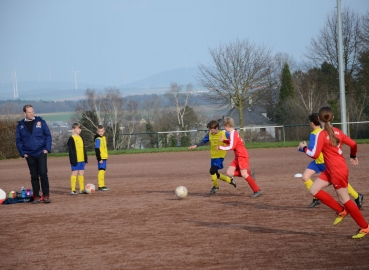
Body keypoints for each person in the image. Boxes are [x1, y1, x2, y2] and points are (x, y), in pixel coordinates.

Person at [299, 106, 369, 239]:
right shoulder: (337, 132)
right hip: (331, 169)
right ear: (333, 118)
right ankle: (341, 211)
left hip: (337, 171)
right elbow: (353, 144)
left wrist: (304, 148)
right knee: (314, 190)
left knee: (345, 199)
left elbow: (314, 154)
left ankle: (365, 227)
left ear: (319, 119)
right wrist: (353, 156)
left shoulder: (321, 134)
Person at [300, 113, 364, 209]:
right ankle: (316, 197)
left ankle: (356, 196)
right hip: (317, 162)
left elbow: (313, 149)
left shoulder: (316, 134)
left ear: (312, 123)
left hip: (325, 162)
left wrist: (303, 148)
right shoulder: (323, 132)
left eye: (310, 122)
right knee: (305, 177)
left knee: (340, 182)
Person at [15, 104, 52, 204]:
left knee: (43, 174)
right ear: (25, 113)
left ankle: (46, 195)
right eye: (29, 112)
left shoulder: (41, 122)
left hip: (41, 152)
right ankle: (36, 196)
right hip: (29, 154)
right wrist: (23, 153)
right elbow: (18, 141)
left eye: (32, 111)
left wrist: (47, 149)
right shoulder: (20, 126)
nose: (32, 113)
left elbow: (48, 136)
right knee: (34, 176)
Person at [218, 117, 262, 198]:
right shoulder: (232, 133)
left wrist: (221, 147)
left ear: (227, 125)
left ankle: (257, 190)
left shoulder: (233, 133)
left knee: (244, 174)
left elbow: (231, 146)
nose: (224, 128)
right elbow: (233, 142)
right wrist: (224, 141)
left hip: (242, 156)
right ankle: (249, 173)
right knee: (229, 173)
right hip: (238, 156)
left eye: (224, 126)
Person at [188, 120, 236, 194]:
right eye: (209, 129)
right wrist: (196, 145)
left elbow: (233, 139)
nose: (210, 131)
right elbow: (203, 141)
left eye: (211, 129)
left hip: (220, 156)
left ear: (216, 128)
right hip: (213, 156)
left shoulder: (224, 133)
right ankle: (230, 180)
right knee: (215, 173)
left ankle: (215, 187)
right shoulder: (210, 134)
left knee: (212, 171)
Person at [67, 123, 88, 195]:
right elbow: (71, 151)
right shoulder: (71, 138)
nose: (79, 130)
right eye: (77, 128)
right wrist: (72, 160)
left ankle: (81, 189)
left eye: (80, 128)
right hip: (75, 160)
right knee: (74, 173)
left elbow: (83, 149)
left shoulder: (81, 138)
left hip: (82, 159)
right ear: (73, 129)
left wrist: (85, 159)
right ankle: (73, 189)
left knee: (81, 173)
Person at [94, 125, 110, 191]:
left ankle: (103, 185)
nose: (101, 133)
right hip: (101, 157)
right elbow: (97, 149)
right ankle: (100, 185)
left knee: (103, 171)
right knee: (101, 170)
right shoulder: (98, 139)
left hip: (104, 156)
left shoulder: (104, 137)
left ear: (104, 131)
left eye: (102, 131)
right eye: (99, 131)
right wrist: (99, 158)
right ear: (97, 131)